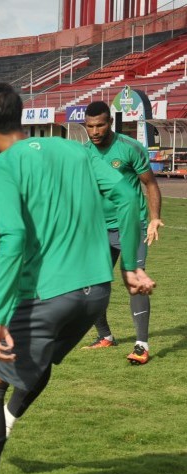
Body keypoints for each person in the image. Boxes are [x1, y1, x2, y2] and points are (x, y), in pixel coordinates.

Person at [0, 83, 154, 474]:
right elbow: (125, 196)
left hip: (46, 296)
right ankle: (7, 422)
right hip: (94, 294)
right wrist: (130, 267)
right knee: (38, 366)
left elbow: (13, 239)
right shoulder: (76, 150)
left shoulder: (1, 168)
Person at [80, 100, 164, 365]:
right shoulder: (83, 154)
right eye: (90, 126)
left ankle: (141, 345)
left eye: (100, 125)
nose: (95, 131)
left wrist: (154, 218)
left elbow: (149, 184)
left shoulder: (130, 148)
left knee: (135, 283)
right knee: (88, 288)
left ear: (110, 123)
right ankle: (105, 336)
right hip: (98, 229)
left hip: (132, 226)